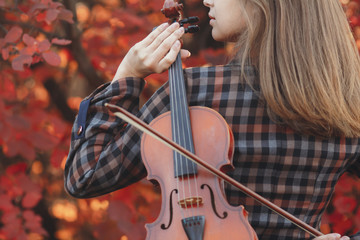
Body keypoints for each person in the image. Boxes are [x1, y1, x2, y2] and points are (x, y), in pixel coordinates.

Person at [64, 0, 360, 239]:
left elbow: (84, 176)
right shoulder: (345, 106)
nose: (207, 1)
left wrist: (127, 74)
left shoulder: (195, 91)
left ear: (261, 4)